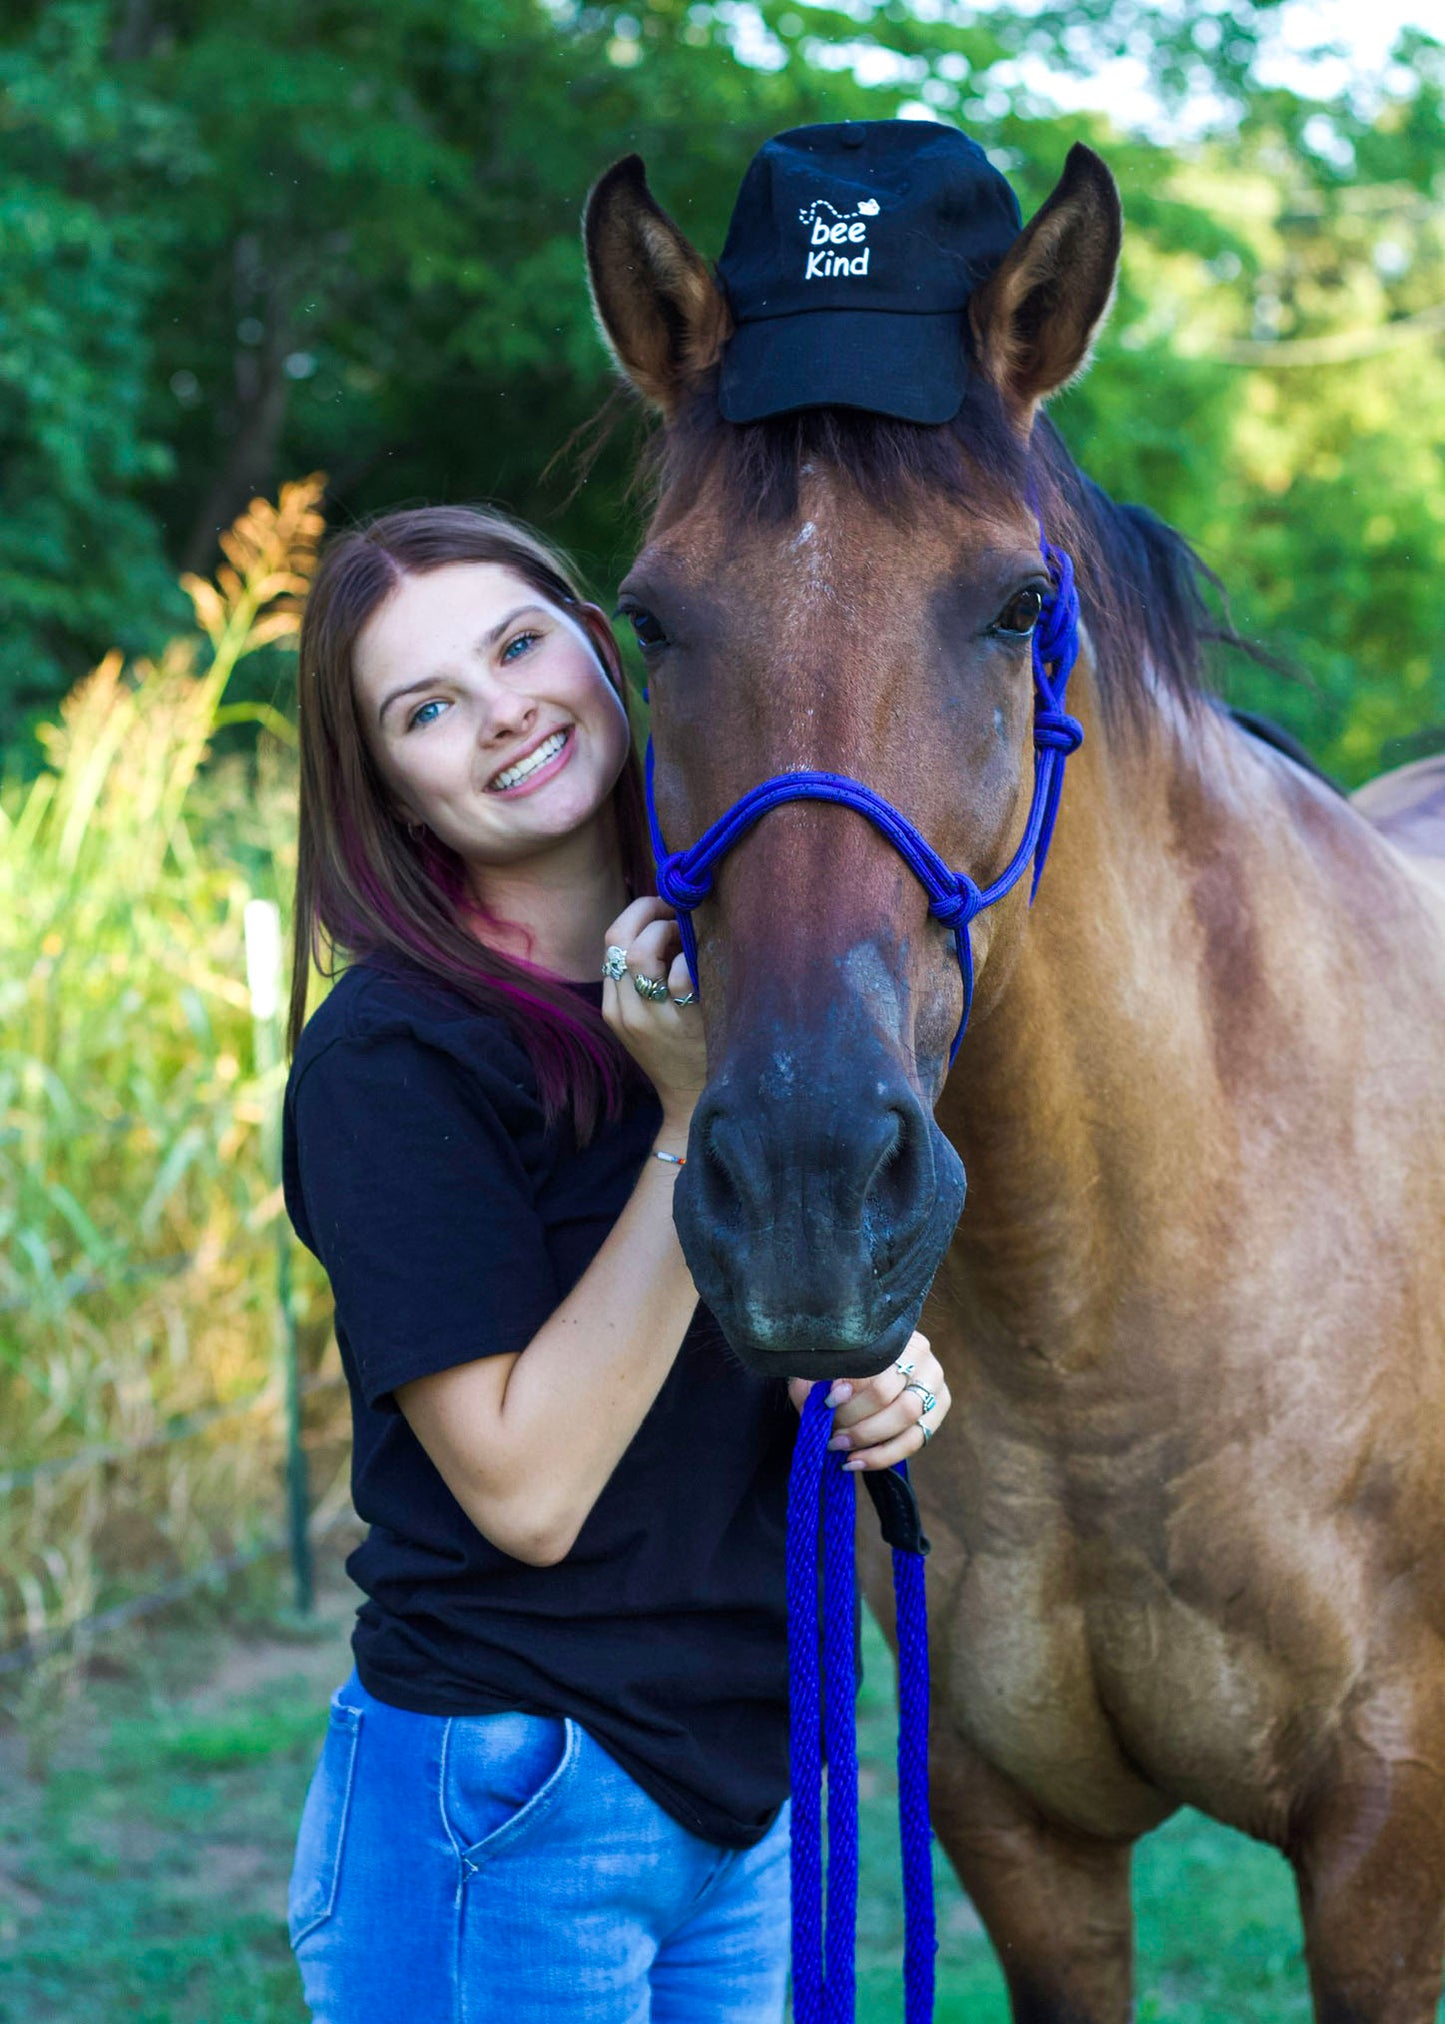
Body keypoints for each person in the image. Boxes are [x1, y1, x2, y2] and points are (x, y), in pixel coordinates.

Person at [281, 502, 953, 2024]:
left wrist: (873, 1368)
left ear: (601, 645)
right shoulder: (391, 1058)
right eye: (425, 709)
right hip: (513, 1795)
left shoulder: (742, 979)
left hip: (743, 1777)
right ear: (388, 787)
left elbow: (745, 1332)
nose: (501, 710)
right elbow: (525, 1492)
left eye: (520, 645)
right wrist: (683, 1122)